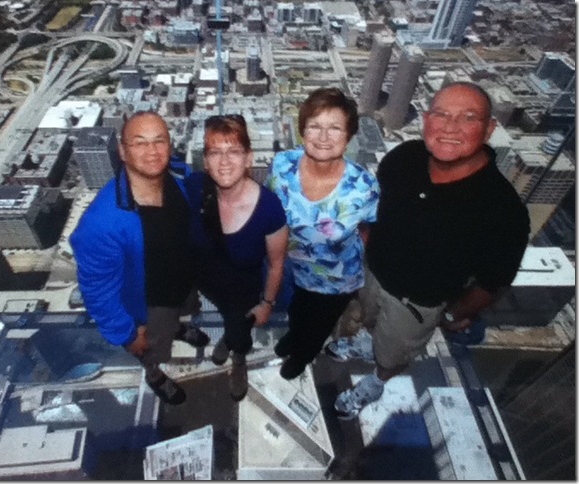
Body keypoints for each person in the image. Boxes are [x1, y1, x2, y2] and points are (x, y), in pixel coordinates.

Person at [329, 82, 530, 420]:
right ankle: (370, 343)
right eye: (441, 114)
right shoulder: (405, 157)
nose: (450, 127)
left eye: (468, 117)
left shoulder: (503, 210)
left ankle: (378, 380)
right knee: (370, 319)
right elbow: (376, 206)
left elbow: (492, 282)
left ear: (489, 128)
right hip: (373, 274)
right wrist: (365, 245)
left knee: (394, 354)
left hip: (417, 304)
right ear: (426, 119)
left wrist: (452, 315)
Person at [70, 111, 210, 406]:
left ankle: (178, 327)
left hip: (182, 283)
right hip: (148, 306)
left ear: (170, 146)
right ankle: (154, 374)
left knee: (180, 312)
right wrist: (127, 333)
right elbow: (97, 290)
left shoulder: (177, 175)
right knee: (151, 350)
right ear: (122, 151)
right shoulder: (102, 223)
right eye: (140, 143)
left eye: (160, 141)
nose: (152, 151)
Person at [265, 87, 380, 380]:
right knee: (296, 313)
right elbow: (269, 208)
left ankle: (303, 356)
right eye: (315, 125)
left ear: (349, 135)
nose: (323, 136)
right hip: (290, 268)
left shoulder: (362, 187)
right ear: (302, 129)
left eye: (334, 128)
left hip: (335, 281)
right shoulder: (282, 165)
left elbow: (368, 230)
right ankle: (294, 338)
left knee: (317, 326)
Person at [186, 114, 288, 401]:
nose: (225, 161)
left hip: (243, 292)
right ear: (205, 161)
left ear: (248, 158)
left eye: (234, 151)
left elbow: (277, 263)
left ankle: (238, 358)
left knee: (239, 331)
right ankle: (227, 339)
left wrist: (267, 303)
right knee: (222, 315)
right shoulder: (195, 189)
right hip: (207, 282)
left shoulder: (269, 208)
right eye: (215, 152)